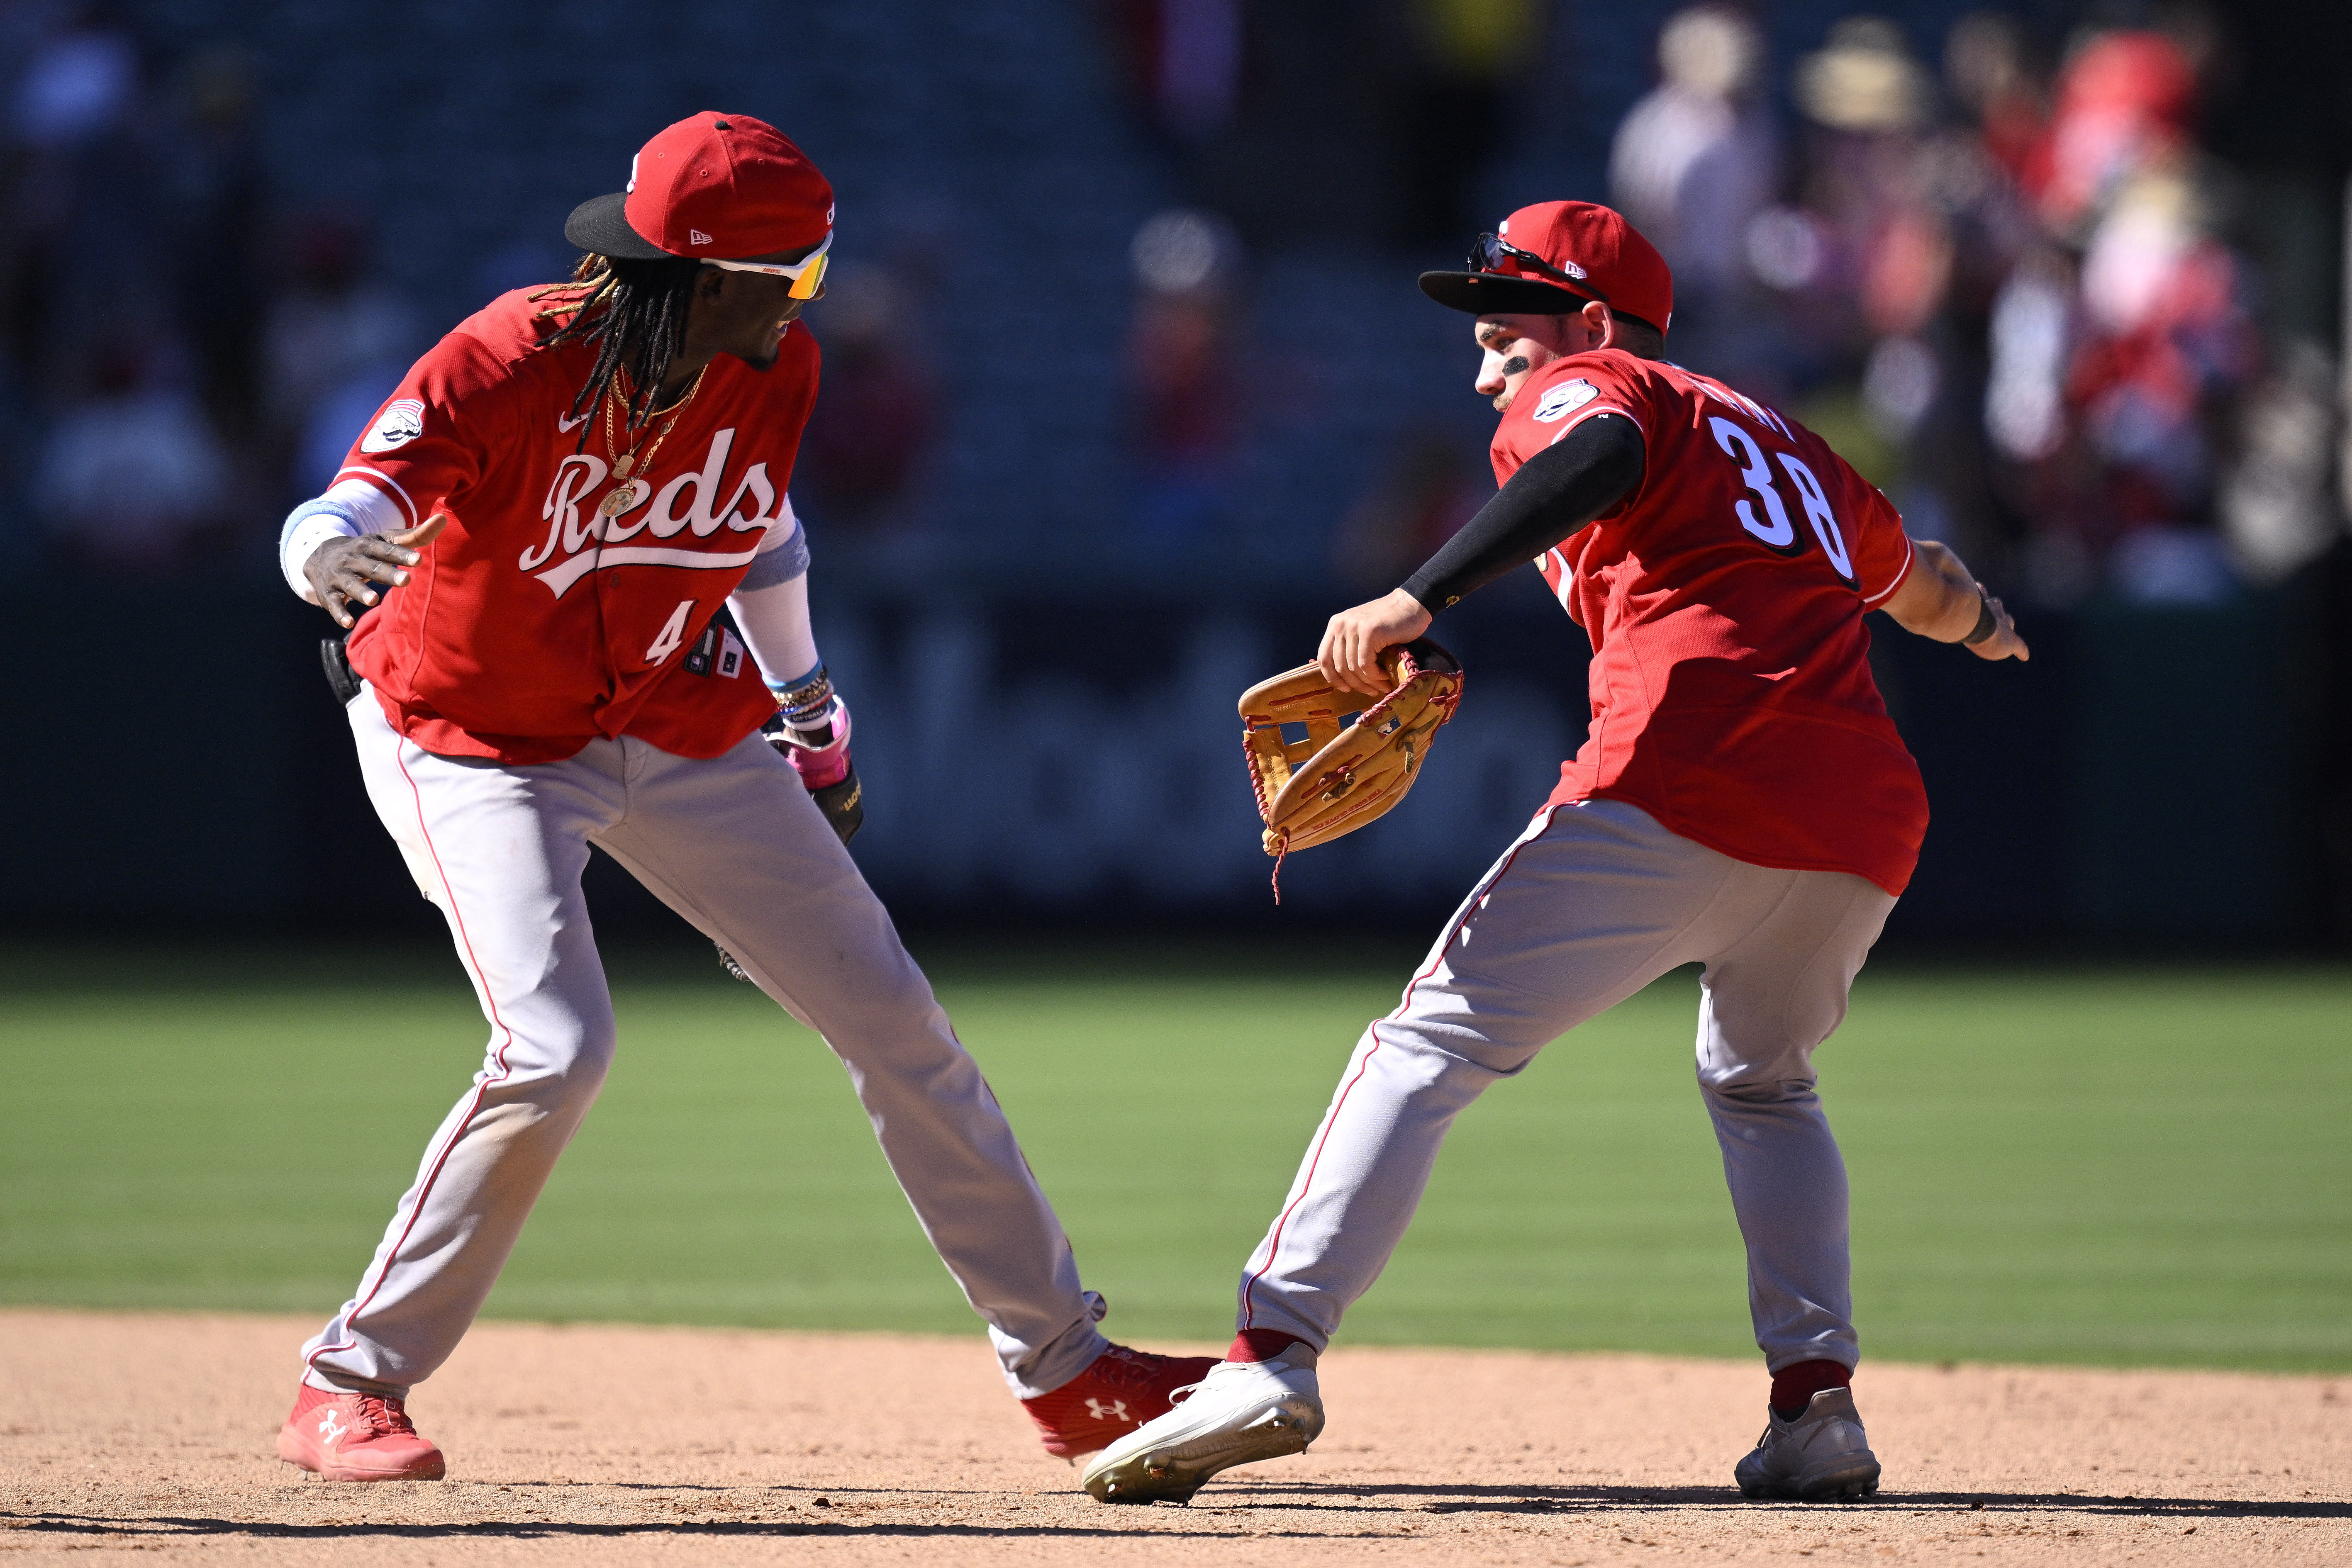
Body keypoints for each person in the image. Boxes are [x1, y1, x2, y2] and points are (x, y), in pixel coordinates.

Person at [269, 112, 1211, 1483]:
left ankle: (1067, 1372)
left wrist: (813, 714)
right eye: (798, 273)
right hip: (465, 733)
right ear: (709, 276)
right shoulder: (510, 356)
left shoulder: (776, 362)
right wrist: (324, 558)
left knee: (897, 1020)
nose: (811, 297)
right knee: (555, 1044)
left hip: (672, 720)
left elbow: (762, 532)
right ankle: (348, 1381)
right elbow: (346, 504)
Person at [1085, 201, 2028, 1505]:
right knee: (1763, 1080)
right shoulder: (1793, 446)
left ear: (1585, 318)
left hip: (1688, 769)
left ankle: (1269, 1353)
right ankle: (1817, 1405)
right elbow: (1914, 579)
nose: (1484, 375)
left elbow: (1598, 445)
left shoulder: (1601, 380)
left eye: (1500, 338)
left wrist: (1422, 595)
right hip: (1862, 820)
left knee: (1425, 1045)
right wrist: (1986, 625)